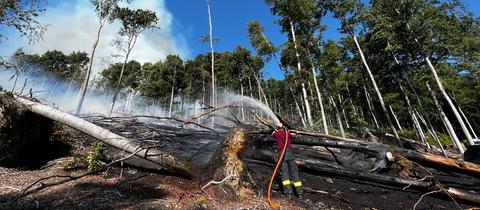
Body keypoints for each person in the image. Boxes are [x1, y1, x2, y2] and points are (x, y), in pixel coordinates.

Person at [272, 122, 303, 198]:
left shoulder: (276, 134)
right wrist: (284, 128)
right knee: (294, 172)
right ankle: (299, 193)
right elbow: (290, 135)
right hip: (289, 153)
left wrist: (276, 129)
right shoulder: (287, 133)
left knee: (284, 173)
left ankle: (288, 193)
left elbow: (273, 134)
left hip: (282, 154)